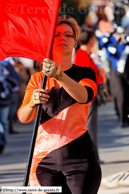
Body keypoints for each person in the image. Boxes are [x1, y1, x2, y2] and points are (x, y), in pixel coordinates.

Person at [18, 15, 101, 194]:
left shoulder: (85, 73)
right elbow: (23, 117)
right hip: (43, 163)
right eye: (56, 35)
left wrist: (59, 76)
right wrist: (32, 102)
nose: (62, 38)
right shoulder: (38, 79)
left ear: (75, 42)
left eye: (68, 35)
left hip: (80, 160)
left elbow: (84, 96)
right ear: (48, 43)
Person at [74, 27, 106, 163]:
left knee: (92, 127)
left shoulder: (85, 55)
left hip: (90, 96)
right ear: (91, 40)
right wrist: (101, 77)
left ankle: (94, 156)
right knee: (90, 128)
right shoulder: (82, 55)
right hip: (88, 97)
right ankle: (92, 157)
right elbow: (86, 77)